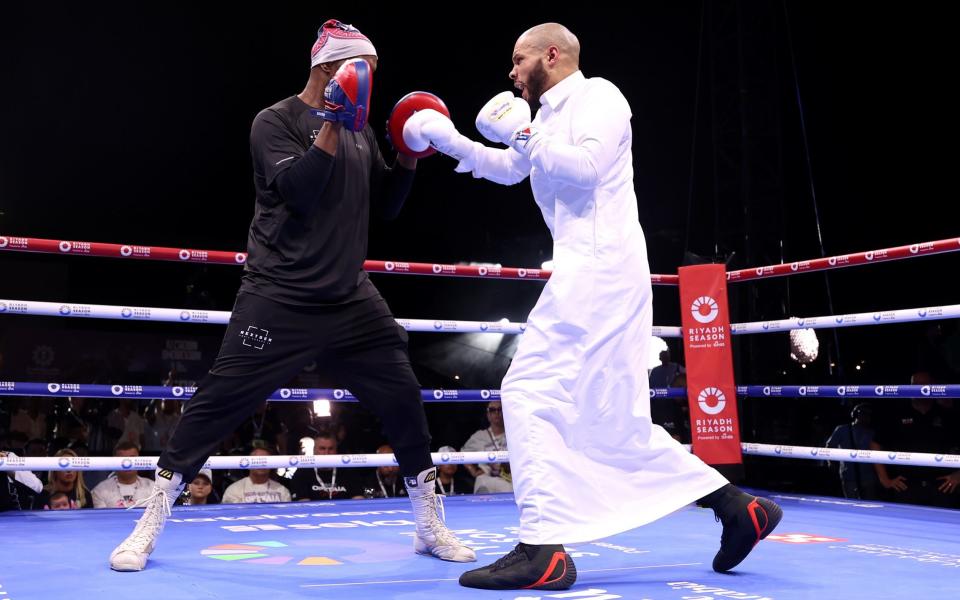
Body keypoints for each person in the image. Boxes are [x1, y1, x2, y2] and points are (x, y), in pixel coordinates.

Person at [404, 22, 782, 590]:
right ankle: (738, 509)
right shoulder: (547, 120)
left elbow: (584, 167)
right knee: (615, 421)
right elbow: (510, 169)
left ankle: (542, 550)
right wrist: (446, 137)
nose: (511, 72)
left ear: (551, 56)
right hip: (593, 271)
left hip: (601, 267)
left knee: (526, 389)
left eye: (519, 59)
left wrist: (523, 132)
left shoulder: (601, 96)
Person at [109, 19, 474, 571]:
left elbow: (388, 207)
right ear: (331, 69)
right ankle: (147, 525)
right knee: (215, 407)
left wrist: (408, 155)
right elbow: (299, 194)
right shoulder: (274, 122)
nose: (370, 86)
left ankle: (429, 525)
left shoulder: (359, 130)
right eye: (364, 74)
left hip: (350, 299)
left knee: (403, 398)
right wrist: (332, 120)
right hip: (279, 295)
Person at [825, 403, 880, 499]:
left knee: (869, 506)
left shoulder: (872, 432)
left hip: (868, 477)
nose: (866, 417)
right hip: (849, 476)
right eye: (863, 413)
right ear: (855, 415)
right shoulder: (842, 430)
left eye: (868, 414)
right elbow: (829, 447)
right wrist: (830, 462)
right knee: (851, 505)